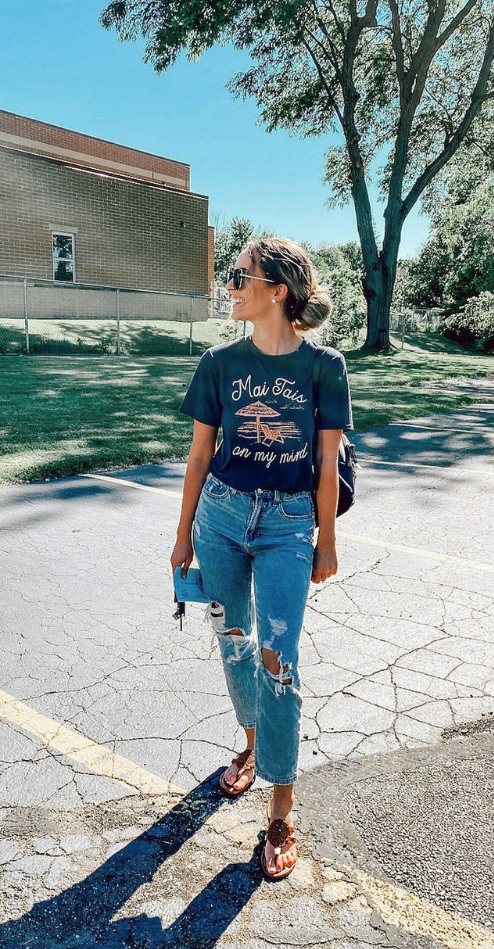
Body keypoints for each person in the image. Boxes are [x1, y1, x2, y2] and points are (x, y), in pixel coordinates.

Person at [170, 237, 354, 880]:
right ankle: (251, 744)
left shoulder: (324, 366)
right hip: (220, 516)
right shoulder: (218, 362)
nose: (231, 285)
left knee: (279, 660)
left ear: (278, 291)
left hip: (287, 525)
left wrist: (326, 541)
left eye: (240, 275)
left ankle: (281, 807)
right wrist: (183, 534)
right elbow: (200, 454)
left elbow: (326, 461)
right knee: (235, 644)